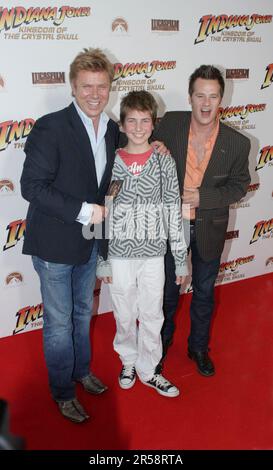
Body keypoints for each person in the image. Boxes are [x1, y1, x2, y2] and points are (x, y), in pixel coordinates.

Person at [20, 48, 120, 423]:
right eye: (87, 87)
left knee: (82, 313)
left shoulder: (111, 128)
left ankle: (81, 372)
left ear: (110, 87)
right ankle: (62, 391)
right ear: (73, 87)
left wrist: (155, 145)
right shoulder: (51, 126)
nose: (95, 94)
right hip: (54, 244)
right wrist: (84, 211)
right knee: (60, 322)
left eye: (102, 86)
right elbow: (32, 186)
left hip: (89, 243)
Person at [153, 65, 251, 377]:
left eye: (213, 96)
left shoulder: (238, 143)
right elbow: (142, 145)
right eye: (200, 96)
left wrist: (203, 198)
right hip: (171, 226)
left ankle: (198, 347)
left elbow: (239, 186)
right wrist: (154, 146)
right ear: (190, 97)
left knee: (205, 292)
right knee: (167, 292)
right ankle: (161, 342)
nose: (206, 104)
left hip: (209, 228)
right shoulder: (171, 123)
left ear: (222, 98)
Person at [97, 90, 188, 397]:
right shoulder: (111, 162)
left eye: (144, 120)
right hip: (120, 254)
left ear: (153, 123)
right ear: (121, 125)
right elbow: (102, 212)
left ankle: (150, 369)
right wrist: (102, 257)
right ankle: (128, 360)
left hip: (153, 254)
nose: (138, 127)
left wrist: (180, 257)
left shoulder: (164, 161)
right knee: (124, 312)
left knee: (152, 313)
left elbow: (173, 209)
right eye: (131, 120)